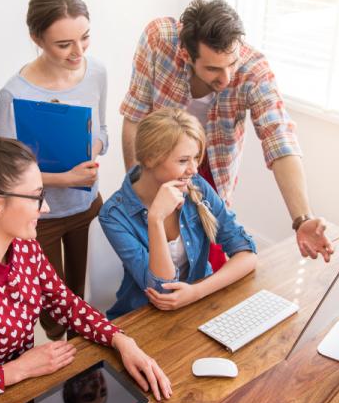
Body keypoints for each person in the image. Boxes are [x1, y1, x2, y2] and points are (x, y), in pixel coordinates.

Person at [0, 109, 171, 403]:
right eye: (36, 196)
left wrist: (122, 341)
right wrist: (16, 371)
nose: (45, 208)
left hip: (26, 394)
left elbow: (64, 304)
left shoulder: (25, 247)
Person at [119, 0, 333, 266]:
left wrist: (302, 218)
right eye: (213, 69)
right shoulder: (158, 39)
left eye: (232, 63)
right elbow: (135, 116)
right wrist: (139, 189)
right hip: (160, 162)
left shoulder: (254, 70)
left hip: (213, 171)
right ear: (187, 54)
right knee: (156, 251)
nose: (227, 77)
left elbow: (280, 140)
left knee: (209, 258)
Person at [0, 0, 107, 341]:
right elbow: (3, 173)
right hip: (40, 219)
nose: (78, 52)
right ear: (36, 38)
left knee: (87, 296)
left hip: (88, 205)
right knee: (54, 312)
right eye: (63, 44)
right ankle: (62, 361)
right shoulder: (13, 95)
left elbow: (102, 133)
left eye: (84, 37)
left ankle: (84, 360)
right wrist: (64, 178)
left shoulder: (96, 71)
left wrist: (89, 149)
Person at [100, 108, 258, 319]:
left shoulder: (197, 187)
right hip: (143, 316)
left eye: (195, 158)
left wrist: (196, 292)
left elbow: (246, 253)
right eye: (183, 161)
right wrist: (155, 219)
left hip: (198, 305)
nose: (193, 169)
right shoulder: (114, 214)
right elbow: (163, 290)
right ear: (149, 159)